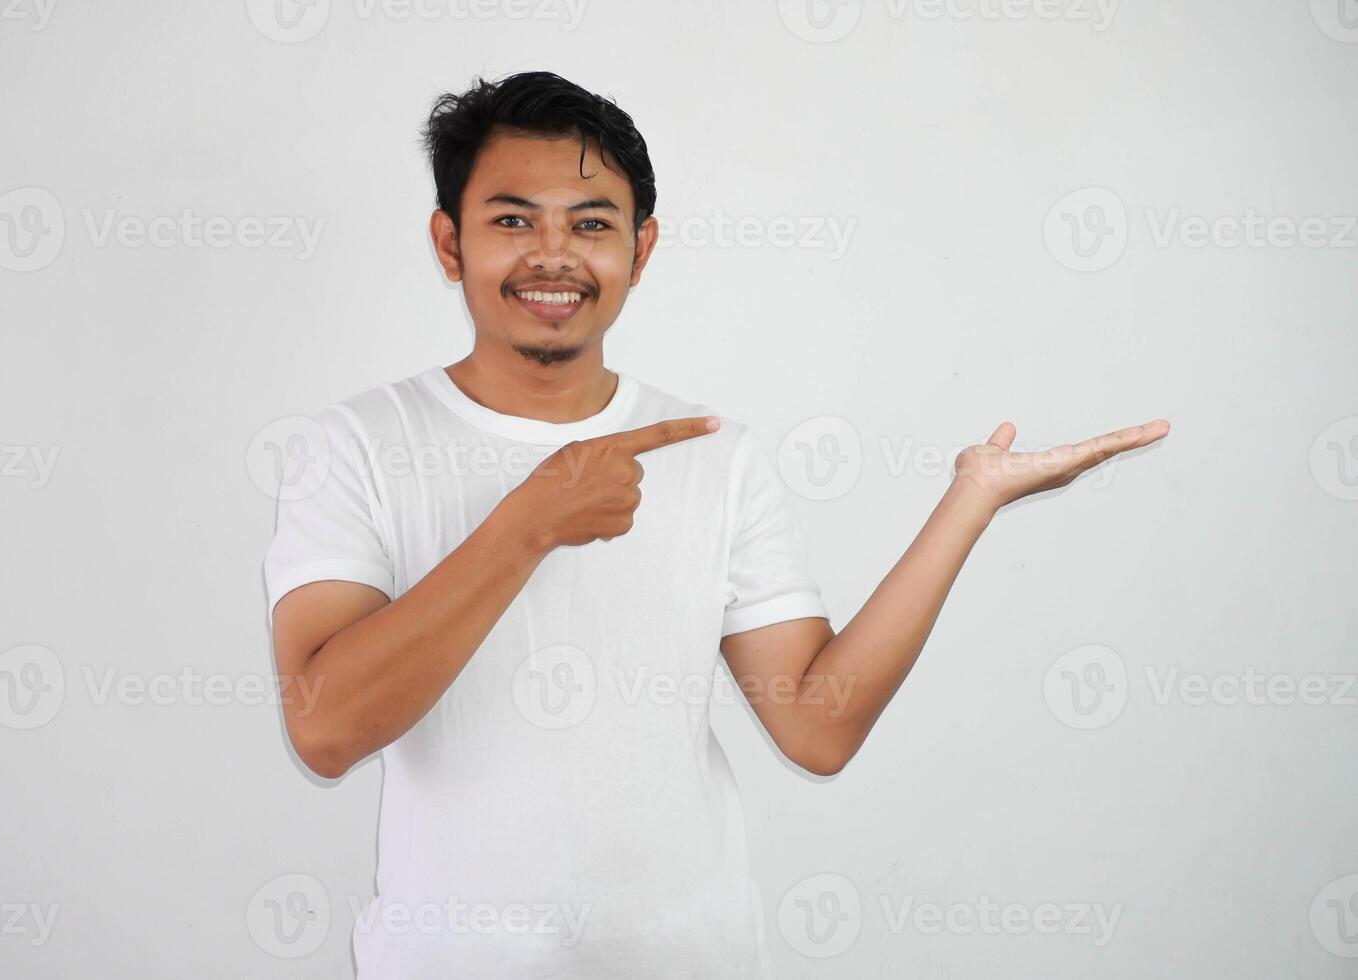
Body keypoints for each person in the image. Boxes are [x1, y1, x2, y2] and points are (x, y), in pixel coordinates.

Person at [261, 69, 1169, 979]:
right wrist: (527, 523)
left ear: (640, 248)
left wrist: (970, 501)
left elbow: (817, 725)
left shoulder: (715, 452)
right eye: (511, 220)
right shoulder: (359, 445)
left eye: (590, 223)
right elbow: (326, 731)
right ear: (448, 243)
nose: (552, 255)